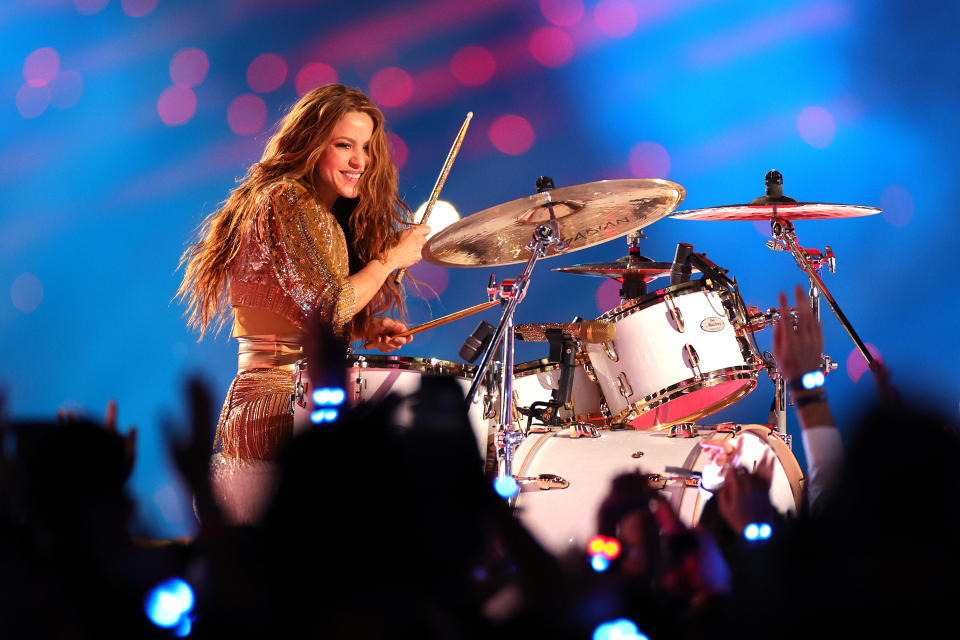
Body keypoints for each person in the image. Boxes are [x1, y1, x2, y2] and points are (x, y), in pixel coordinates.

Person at [177, 84, 429, 522]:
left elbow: (300, 309)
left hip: (284, 396)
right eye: (344, 145)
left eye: (366, 148)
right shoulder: (287, 199)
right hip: (279, 401)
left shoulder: (311, 209)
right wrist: (389, 259)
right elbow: (328, 306)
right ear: (311, 144)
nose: (360, 162)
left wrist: (361, 329)